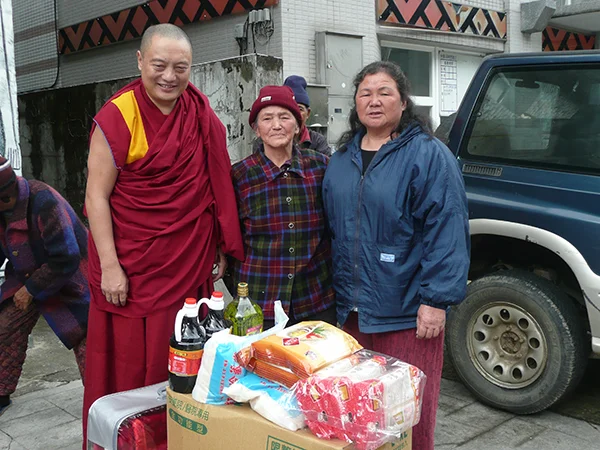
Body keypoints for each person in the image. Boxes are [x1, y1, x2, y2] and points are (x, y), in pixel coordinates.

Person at [82, 24, 243, 440]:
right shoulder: (119, 115)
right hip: (132, 265)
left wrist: (216, 243)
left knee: (186, 357)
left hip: (187, 258)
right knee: (132, 366)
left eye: (180, 67)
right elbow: (96, 196)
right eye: (159, 65)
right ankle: (133, 440)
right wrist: (110, 266)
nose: (169, 76)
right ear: (140, 61)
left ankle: (184, 439)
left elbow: (209, 186)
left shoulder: (198, 111)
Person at [322, 61, 469, 450]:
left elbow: (448, 229)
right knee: (358, 410)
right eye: (365, 93)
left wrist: (436, 301)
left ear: (404, 102)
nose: (374, 101)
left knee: (407, 411)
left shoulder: (428, 155)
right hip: (352, 312)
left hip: (407, 312)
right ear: (355, 103)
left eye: (384, 92)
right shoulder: (341, 159)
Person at [227, 85, 335, 329]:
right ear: (256, 129)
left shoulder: (321, 167)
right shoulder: (240, 175)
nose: (276, 125)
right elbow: (230, 241)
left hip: (315, 301)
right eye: (267, 118)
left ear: (298, 126)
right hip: (258, 304)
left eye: (284, 117)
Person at [0, 157, 89, 417]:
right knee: (4, 327)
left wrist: (31, 290)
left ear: (5, 197)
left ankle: (99, 400)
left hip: (72, 277)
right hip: (26, 273)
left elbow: (66, 257)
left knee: (86, 339)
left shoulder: (43, 201)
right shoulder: (2, 210)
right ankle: (1, 393)